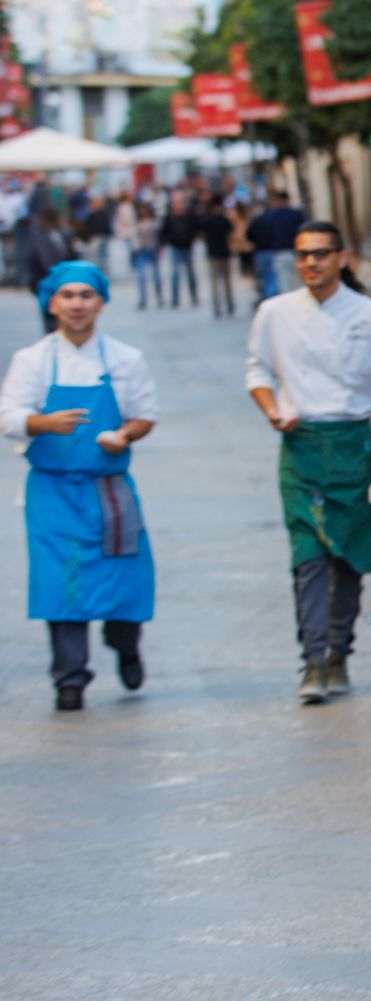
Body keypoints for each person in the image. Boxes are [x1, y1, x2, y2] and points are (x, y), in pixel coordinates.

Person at [246, 221, 371, 704]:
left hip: (355, 444)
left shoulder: (370, 315)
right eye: (303, 255)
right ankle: (314, 659)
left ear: (342, 258)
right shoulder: (275, 312)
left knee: (350, 558)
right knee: (309, 556)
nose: (311, 263)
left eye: (320, 253)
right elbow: (258, 370)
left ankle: (339, 651)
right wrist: (271, 409)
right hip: (300, 446)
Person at [0, 261, 159, 712]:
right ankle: (69, 678)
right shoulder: (32, 361)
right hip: (52, 493)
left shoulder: (126, 360)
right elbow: (7, 416)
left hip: (109, 491)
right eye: (67, 296)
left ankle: (125, 643)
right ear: (51, 303)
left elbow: (145, 414)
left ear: (100, 303)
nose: (77, 305)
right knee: (60, 582)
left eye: (86, 295)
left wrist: (124, 435)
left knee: (123, 577)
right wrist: (41, 423)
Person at [247, 191, 307, 300]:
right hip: (297, 251)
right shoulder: (296, 214)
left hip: (280, 252)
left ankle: (287, 304)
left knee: (284, 283)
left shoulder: (272, 216)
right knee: (300, 281)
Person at [25, 208, 77, 332]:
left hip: (64, 282)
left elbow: (72, 255)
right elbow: (34, 260)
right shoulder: (37, 236)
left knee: (64, 317)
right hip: (46, 283)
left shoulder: (64, 234)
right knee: (49, 318)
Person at [158, 193, 200, 309]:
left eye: (180, 202)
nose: (177, 205)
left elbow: (196, 228)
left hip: (187, 247)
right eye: (175, 202)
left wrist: (193, 238)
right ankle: (175, 298)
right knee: (175, 274)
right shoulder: (169, 217)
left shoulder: (189, 215)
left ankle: (194, 296)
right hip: (175, 247)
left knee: (190, 273)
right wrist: (163, 245)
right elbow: (164, 232)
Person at [199, 195, 236, 318]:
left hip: (212, 254)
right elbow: (231, 236)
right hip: (224, 253)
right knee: (227, 282)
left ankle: (217, 308)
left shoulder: (207, 221)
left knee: (215, 283)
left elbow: (202, 236)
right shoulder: (224, 220)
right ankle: (230, 305)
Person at [131, 202, 164, 310]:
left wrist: (159, 249)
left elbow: (158, 237)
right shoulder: (137, 222)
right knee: (142, 276)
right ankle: (143, 298)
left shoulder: (154, 222)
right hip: (141, 251)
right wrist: (135, 249)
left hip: (152, 249)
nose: (143, 211)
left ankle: (159, 296)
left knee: (156, 275)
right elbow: (135, 237)